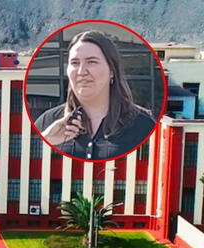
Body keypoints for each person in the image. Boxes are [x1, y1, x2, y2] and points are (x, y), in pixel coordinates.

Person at [35, 30, 155, 160]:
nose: (81, 71)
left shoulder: (143, 125)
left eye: (91, 62)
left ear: (112, 70)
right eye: (75, 63)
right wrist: (47, 140)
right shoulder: (46, 123)